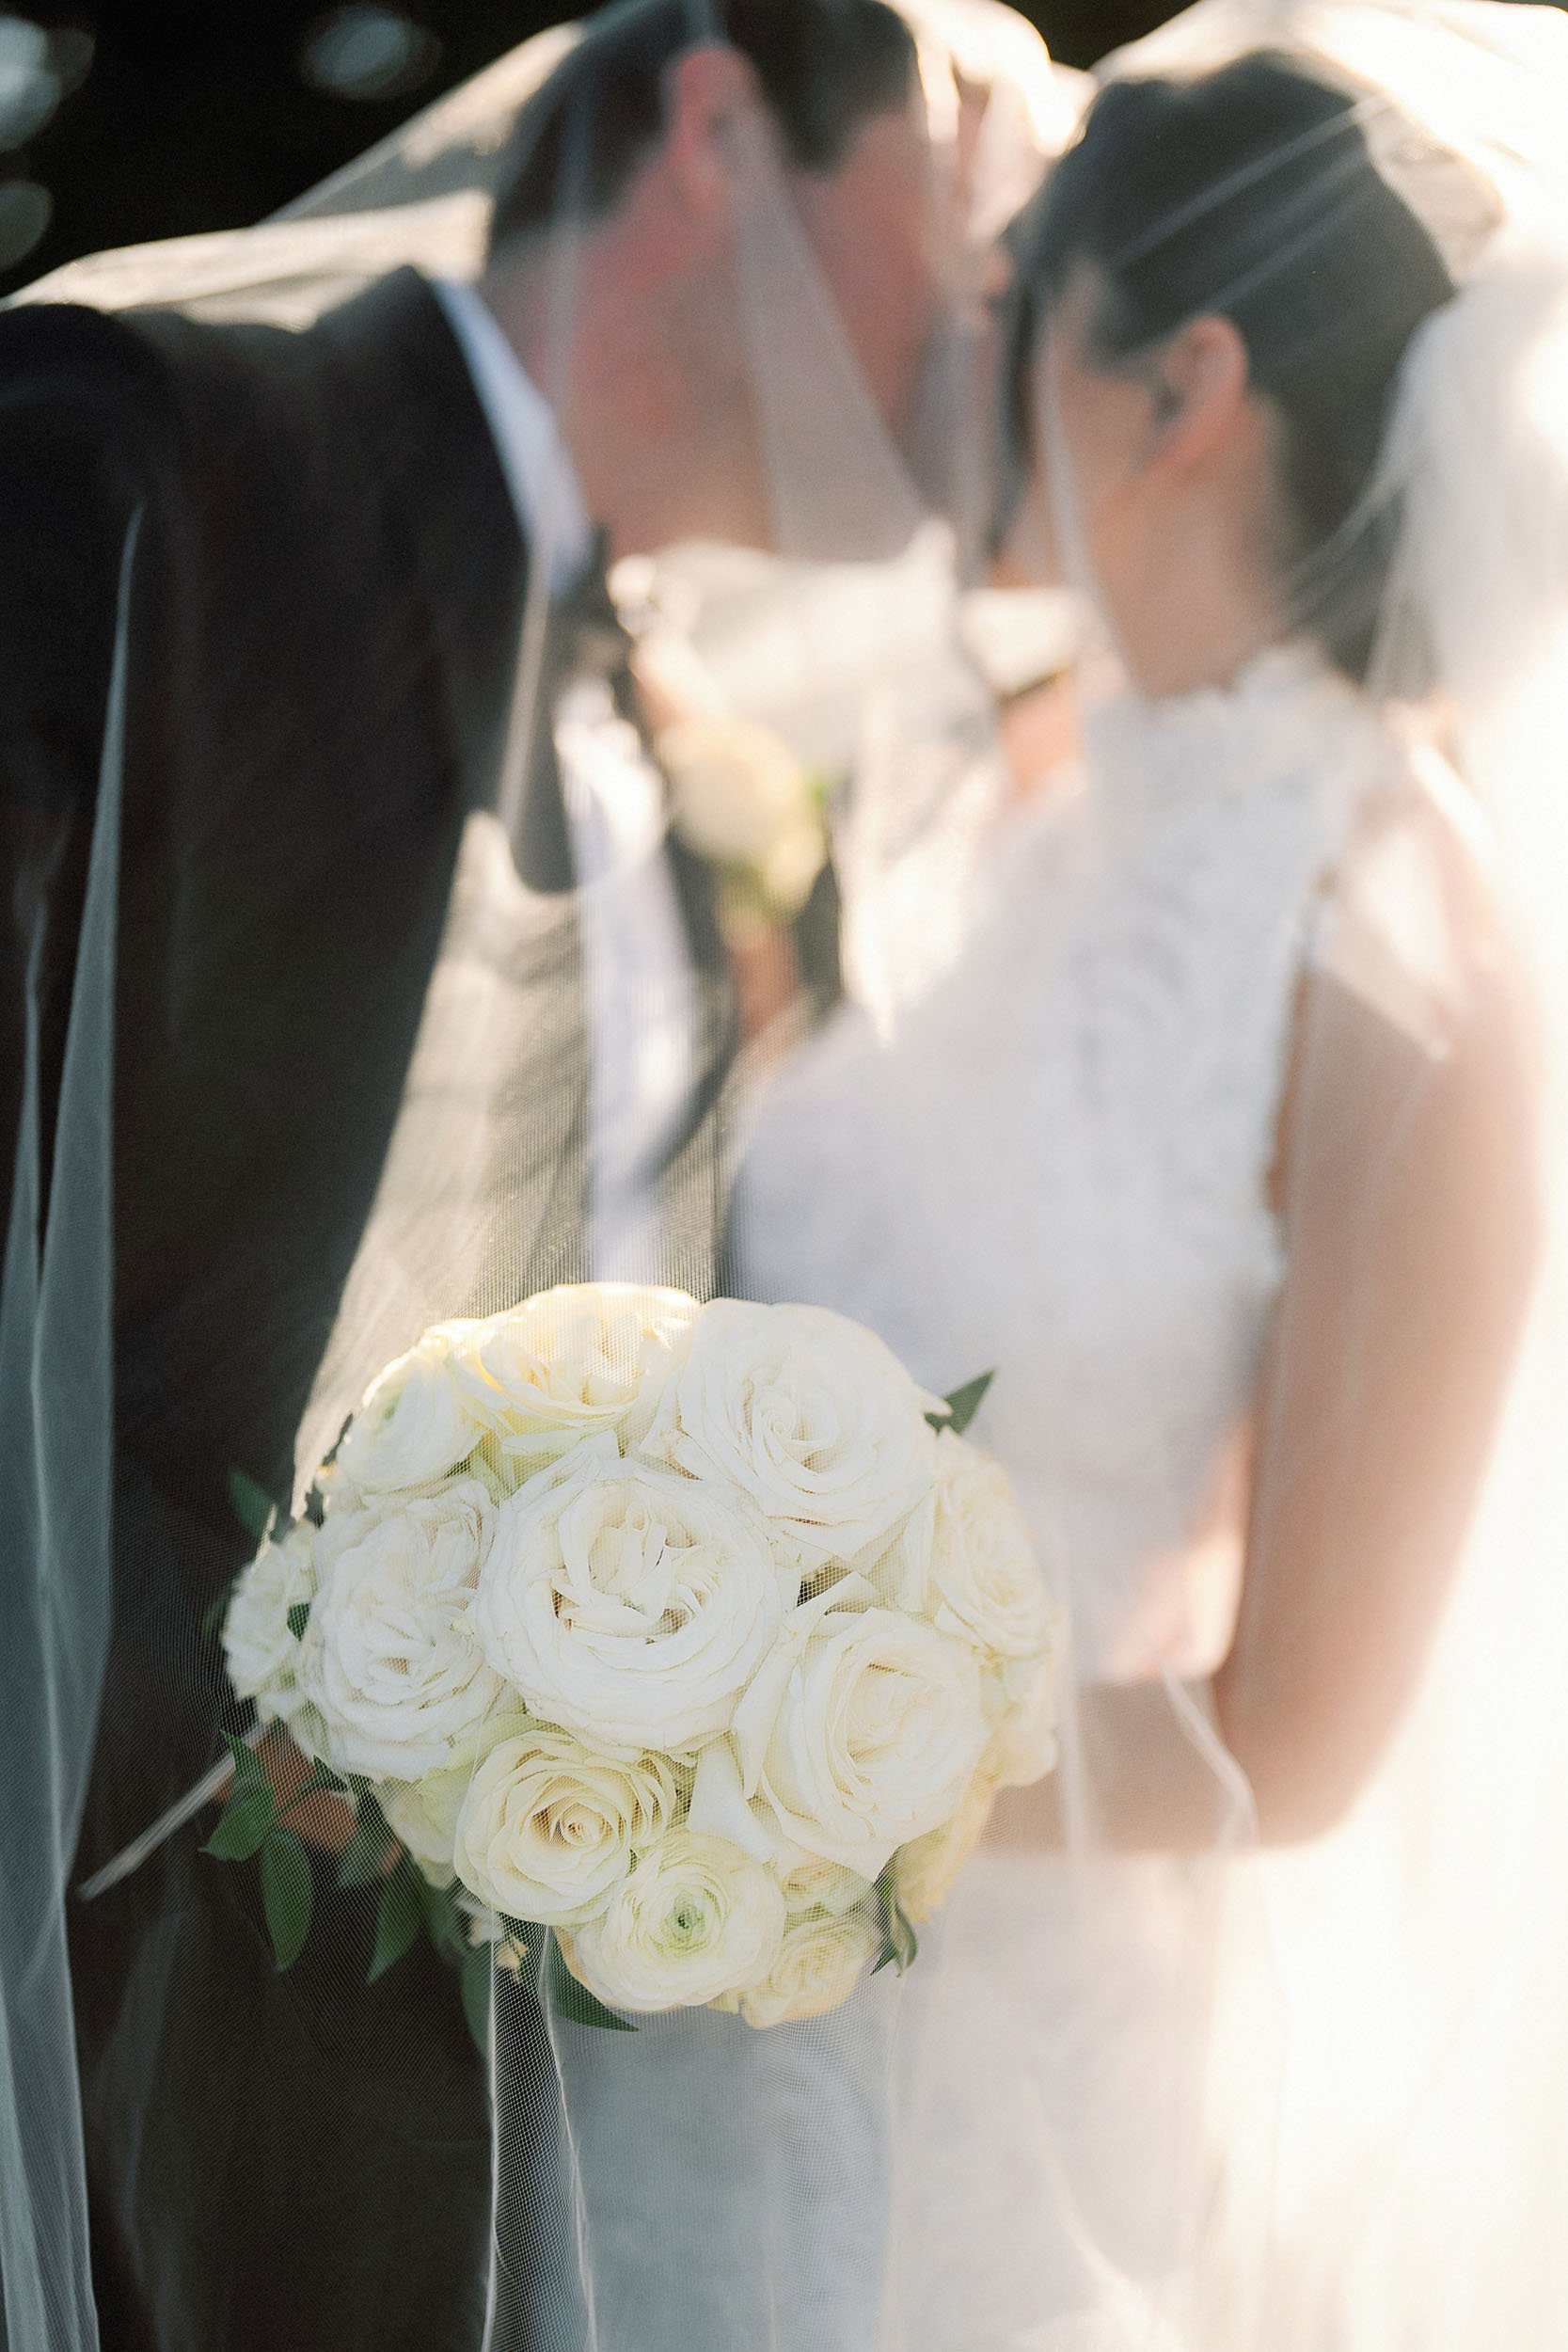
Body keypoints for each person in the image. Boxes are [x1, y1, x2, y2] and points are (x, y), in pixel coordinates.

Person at [0, 5, 1006, 2347]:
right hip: (94, 2115)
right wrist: (319, 1718)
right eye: (976, 161)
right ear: (722, 122)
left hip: (440, 2196)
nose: (1017, 285)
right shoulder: (130, 472)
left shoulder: (704, 774)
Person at [732, 9, 1568, 2345]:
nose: (943, 381)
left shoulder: (1410, 952)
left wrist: (748, 1751)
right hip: (687, 1989)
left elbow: (1298, 1737)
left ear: (1183, 389)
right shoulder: (1029, 792)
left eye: (1009, 322)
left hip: (1015, 2105)